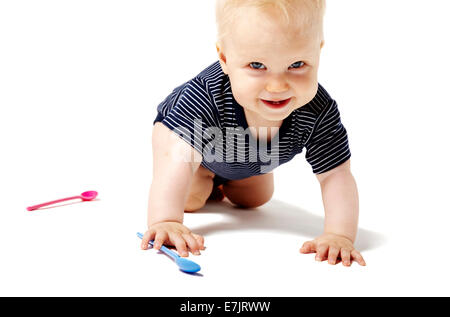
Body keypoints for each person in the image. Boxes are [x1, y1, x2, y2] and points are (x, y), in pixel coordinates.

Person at [141, 0, 366, 267]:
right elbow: (177, 157)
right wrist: (166, 220)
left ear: (318, 52)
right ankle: (205, 177)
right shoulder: (203, 98)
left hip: (249, 159)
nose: (277, 86)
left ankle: (225, 182)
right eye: (257, 65)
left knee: (254, 199)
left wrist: (339, 234)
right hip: (190, 149)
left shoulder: (318, 110)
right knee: (191, 195)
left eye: (297, 64)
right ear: (224, 58)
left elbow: (336, 173)